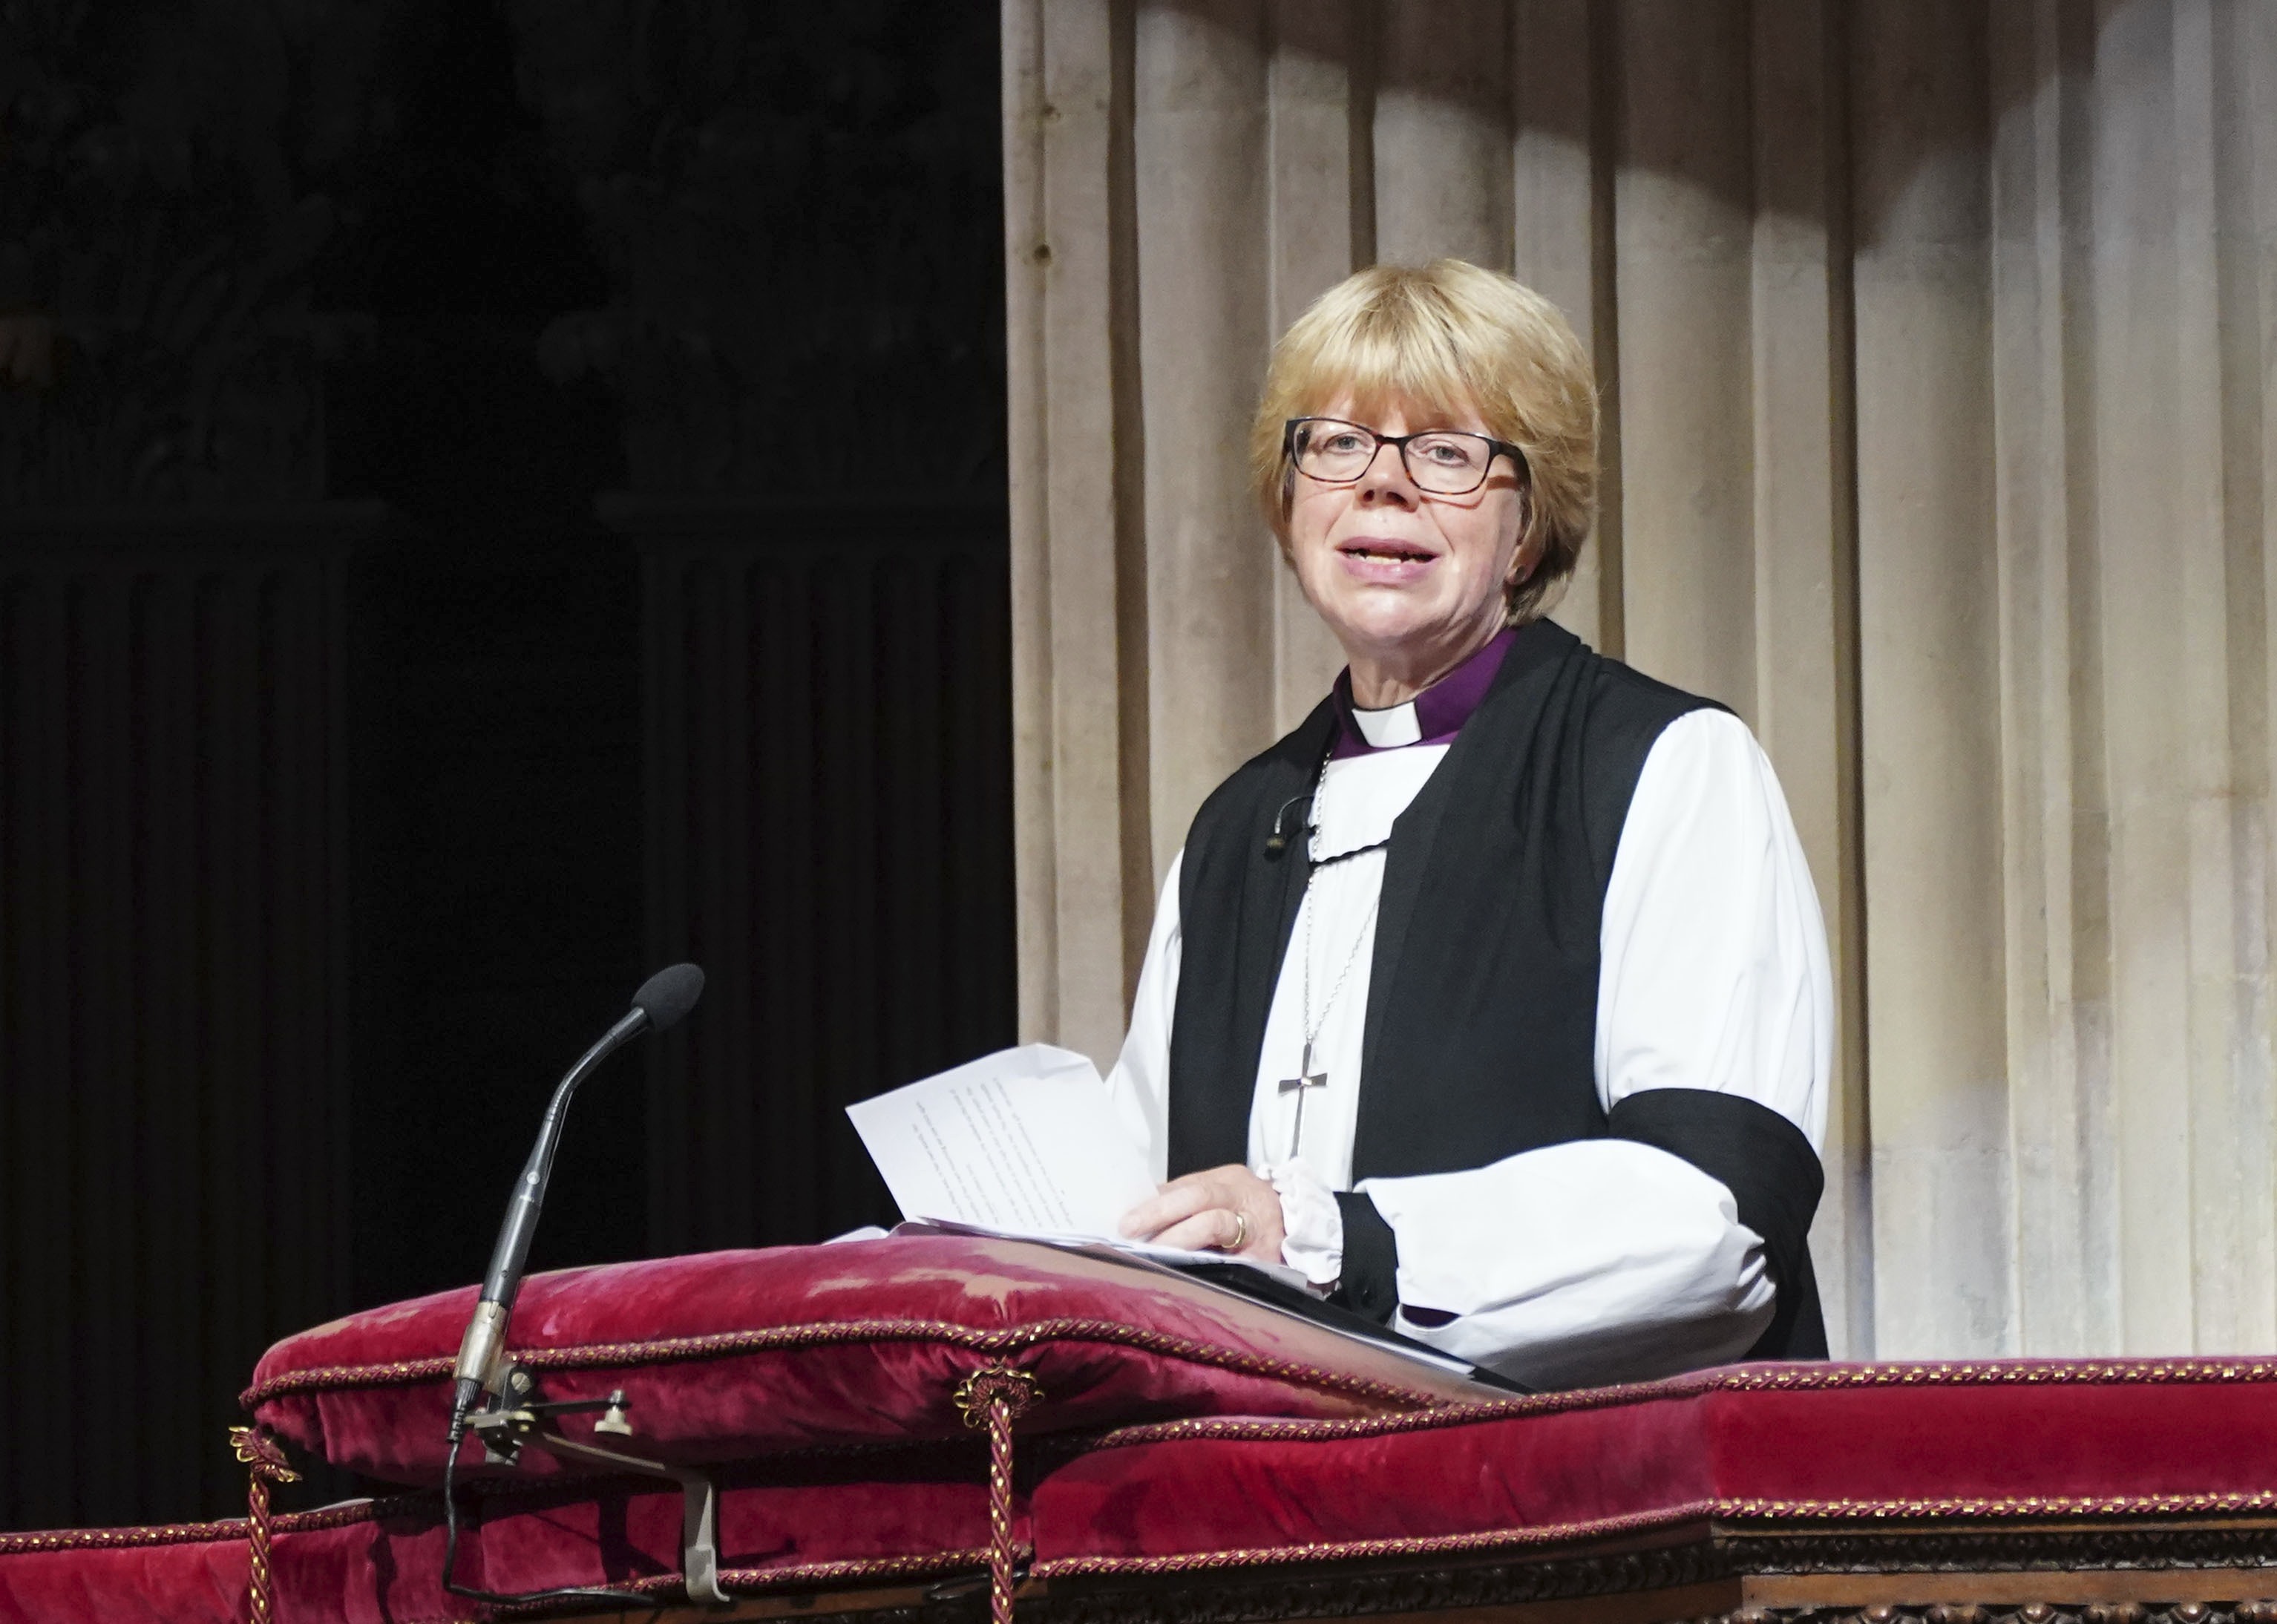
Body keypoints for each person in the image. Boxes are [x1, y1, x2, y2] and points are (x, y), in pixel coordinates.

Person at [1106, 259, 1832, 1390]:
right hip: (1258, 1476)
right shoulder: (1236, 829)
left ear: (1528, 527)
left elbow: (1716, 1217)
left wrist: (1334, 1241)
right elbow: (1141, 1197)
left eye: (1446, 453)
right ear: (1289, 502)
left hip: (1575, 1479)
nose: (1381, 487)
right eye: (1337, 443)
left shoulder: (1662, 766)